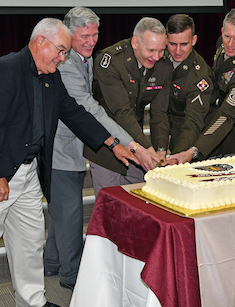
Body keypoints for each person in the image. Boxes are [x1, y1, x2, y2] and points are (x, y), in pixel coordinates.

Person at [0, 18, 137, 307]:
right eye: (61, 50)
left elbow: (74, 112)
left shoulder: (51, 77)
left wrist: (112, 142)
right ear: (41, 42)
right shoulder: (4, 70)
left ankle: (30, 298)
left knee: (30, 239)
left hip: (27, 173)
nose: (63, 58)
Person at [44, 7, 159, 290]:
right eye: (84, 35)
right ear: (68, 34)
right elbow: (91, 109)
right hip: (61, 148)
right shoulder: (66, 65)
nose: (91, 41)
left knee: (62, 209)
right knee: (70, 213)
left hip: (77, 143)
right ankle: (71, 277)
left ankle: (51, 262)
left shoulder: (85, 59)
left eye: (95, 34)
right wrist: (130, 143)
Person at [84, 17, 172, 196]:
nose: (156, 57)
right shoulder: (110, 61)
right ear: (135, 43)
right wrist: (147, 149)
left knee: (139, 204)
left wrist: (161, 150)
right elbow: (122, 112)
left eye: (162, 50)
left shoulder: (163, 66)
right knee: (110, 207)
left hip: (136, 142)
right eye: (151, 50)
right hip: (106, 146)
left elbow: (160, 112)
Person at [166, 8, 235, 164]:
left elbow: (227, 115)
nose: (230, 44)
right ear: (222, 31)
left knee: (233, 183)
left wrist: (194, 150)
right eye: (227, 36)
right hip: (221, 127)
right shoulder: (222, 43)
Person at [165, 14, 214, 154]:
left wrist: (178, 156)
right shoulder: (161, 58)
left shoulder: (199, 77)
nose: (178, 51)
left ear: (194, 40)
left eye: (184, 44)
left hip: (195, 140)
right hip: (173, 130)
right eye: (172, 44)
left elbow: (193, 121)